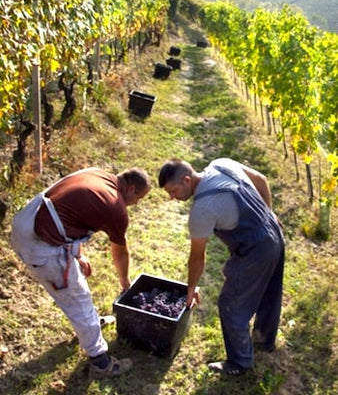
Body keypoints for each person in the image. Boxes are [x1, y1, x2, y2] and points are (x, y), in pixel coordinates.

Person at [11, 166, 151, 379]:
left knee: (79, 293)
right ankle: (101, 363)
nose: (137, 203)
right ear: (131, 189)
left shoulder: (98, 174)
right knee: (78, 299)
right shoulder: (115, 207)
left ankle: (92, 324)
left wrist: (77, 254)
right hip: (39, 244)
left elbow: (70, 210)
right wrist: (124, 280)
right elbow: (120, 251)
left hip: (27, 221)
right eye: (139, 198)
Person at [158, 157, 284, 376]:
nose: (172, 198)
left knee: (231, 304)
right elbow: (261, 179)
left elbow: (197, 257)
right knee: (269, 291)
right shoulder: (221, 163)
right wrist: (268, 214)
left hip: (256, 250)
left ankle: (239, 363)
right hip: (274, 232)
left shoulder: (202, 209)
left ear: (187, 180)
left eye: (173, 191)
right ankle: (264, 340)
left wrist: (190, 290)